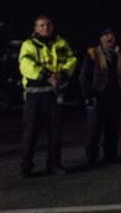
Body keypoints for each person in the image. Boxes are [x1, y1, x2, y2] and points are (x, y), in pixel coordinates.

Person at [18, 15, 77, 177]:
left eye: (48, 24)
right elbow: (25, 65)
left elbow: (71, 59)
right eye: (41, 25)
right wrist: (47, 76)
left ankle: (54, 164)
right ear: (35, 28)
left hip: (54, 94)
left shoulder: (61, 43)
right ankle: (26, 166)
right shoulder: (28, 45)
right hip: (34, 95)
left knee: (55, 132)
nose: (45, 28)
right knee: (31, 133)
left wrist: (63, 74)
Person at [79, 28, 121, 166]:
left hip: (114, 96)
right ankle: (92, 159)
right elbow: (85, 77)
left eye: (111, 35)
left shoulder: (120, 55)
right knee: (94, 130)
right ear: (101, 39)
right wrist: (88, 96)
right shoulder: (92, 55)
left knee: (112, 129)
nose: (109, 38)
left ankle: (111, 156)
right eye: (106, 35)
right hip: (98, 96)